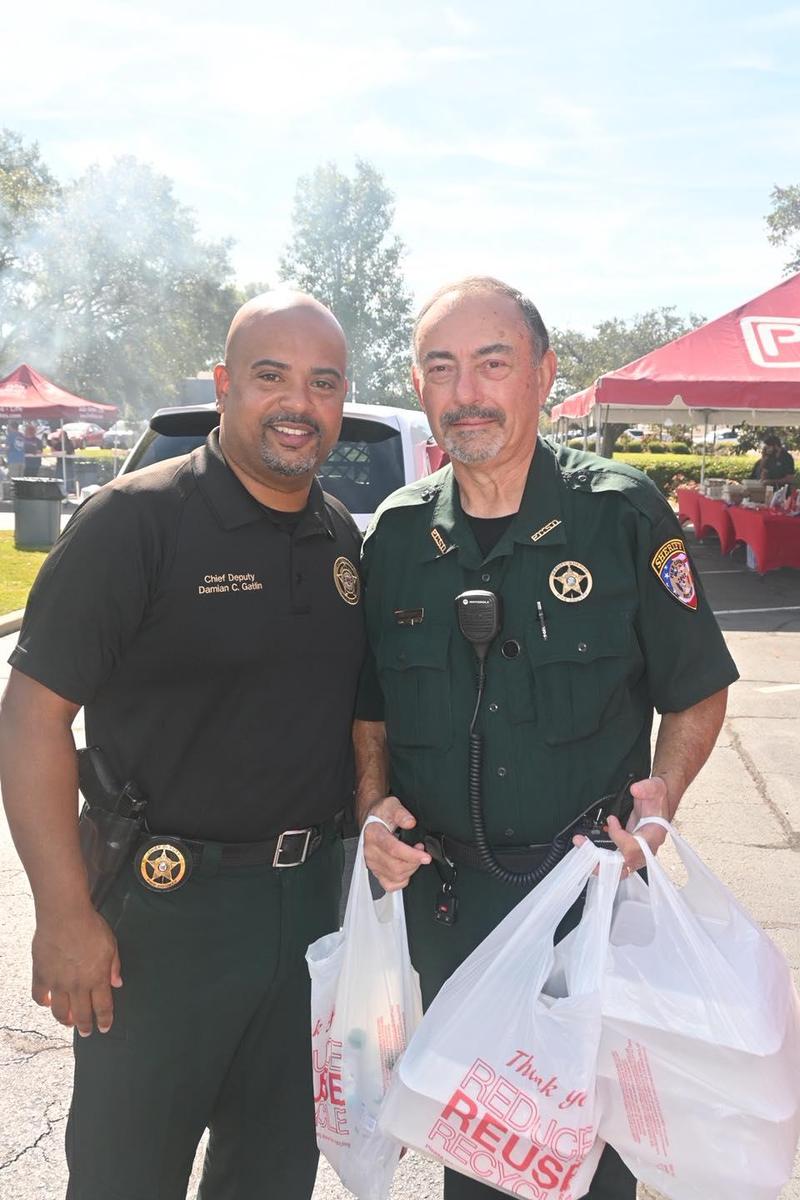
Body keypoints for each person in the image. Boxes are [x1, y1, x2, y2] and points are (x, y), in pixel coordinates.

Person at [353, 277, 739, 1200]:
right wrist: (371, 805)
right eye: (442, 368)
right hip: (449, 912)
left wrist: (663, 799)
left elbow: (698, 687)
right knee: (479, 1160)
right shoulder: (400, 536)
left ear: (543, 375)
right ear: (419, 386)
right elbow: (369, 703)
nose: (467, 391)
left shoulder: (620, 512)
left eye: (494, 363)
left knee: (587, 1163)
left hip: (582, 908)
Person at [0, 291, 365, 1200]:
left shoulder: (341, 536)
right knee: (128, 1177)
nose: (298, 403)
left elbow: (361, 718)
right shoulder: (136, 522)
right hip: (161, 921)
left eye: (323, 384)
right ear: (224, 386)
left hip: (311, 913)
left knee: (275, 1174)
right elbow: (32, 718)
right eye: (270, 376)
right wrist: (63, 913)